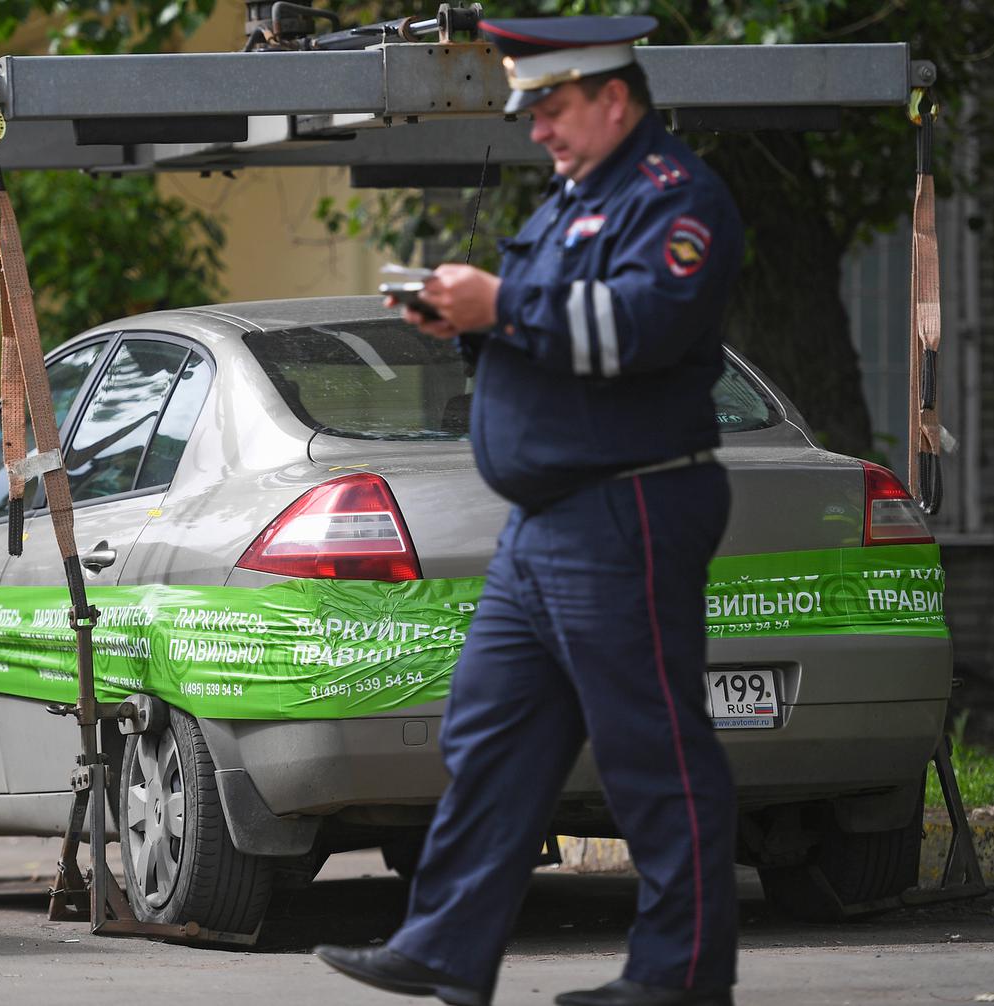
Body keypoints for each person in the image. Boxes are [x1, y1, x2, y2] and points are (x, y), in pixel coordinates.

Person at [316, 15, 744, 1006]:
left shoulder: (677, 200)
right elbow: (547, 327)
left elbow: (637, 328)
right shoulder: (572, 200)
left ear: (613, 97)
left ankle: (679, 976)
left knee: (653, 750)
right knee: (490, 735)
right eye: (531, 112)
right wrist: (465, 320)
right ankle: (446, 947)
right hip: (543, 525)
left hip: (625, 506)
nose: (538, 129)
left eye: (550, 109)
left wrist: (500, 305)